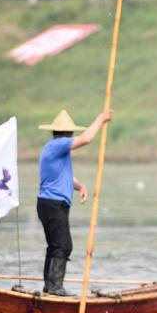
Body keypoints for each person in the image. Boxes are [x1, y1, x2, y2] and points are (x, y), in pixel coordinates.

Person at [37, 109, 113, 295]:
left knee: (56, 245)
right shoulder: (57, 145)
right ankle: (55, 288)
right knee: (63, 245)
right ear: (67, 133)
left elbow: (62, 176)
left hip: (51, 204)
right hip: (53, 204)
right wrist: (101, 119)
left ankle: (49, 286)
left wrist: (79, 186)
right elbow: (86, 139)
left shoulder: (55, 149)